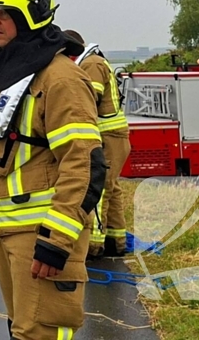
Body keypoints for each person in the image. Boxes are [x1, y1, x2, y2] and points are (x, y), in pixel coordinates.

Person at [0, 0, 106, 340]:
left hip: (42, 231)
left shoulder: (60, 79)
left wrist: (57, 240)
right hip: (7, 227)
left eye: (2, 13)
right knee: (20, 328)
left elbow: (84, 164)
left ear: (29, 15)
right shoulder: (10, 73)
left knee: (40, 332)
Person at [63, 29, 130, 259]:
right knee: (112, 189)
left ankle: (94, 246)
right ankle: (115, 240)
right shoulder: (94, 60)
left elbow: (87, 100)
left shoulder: (90, 65)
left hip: (108, 136)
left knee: (99, 190)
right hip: (114, 136)